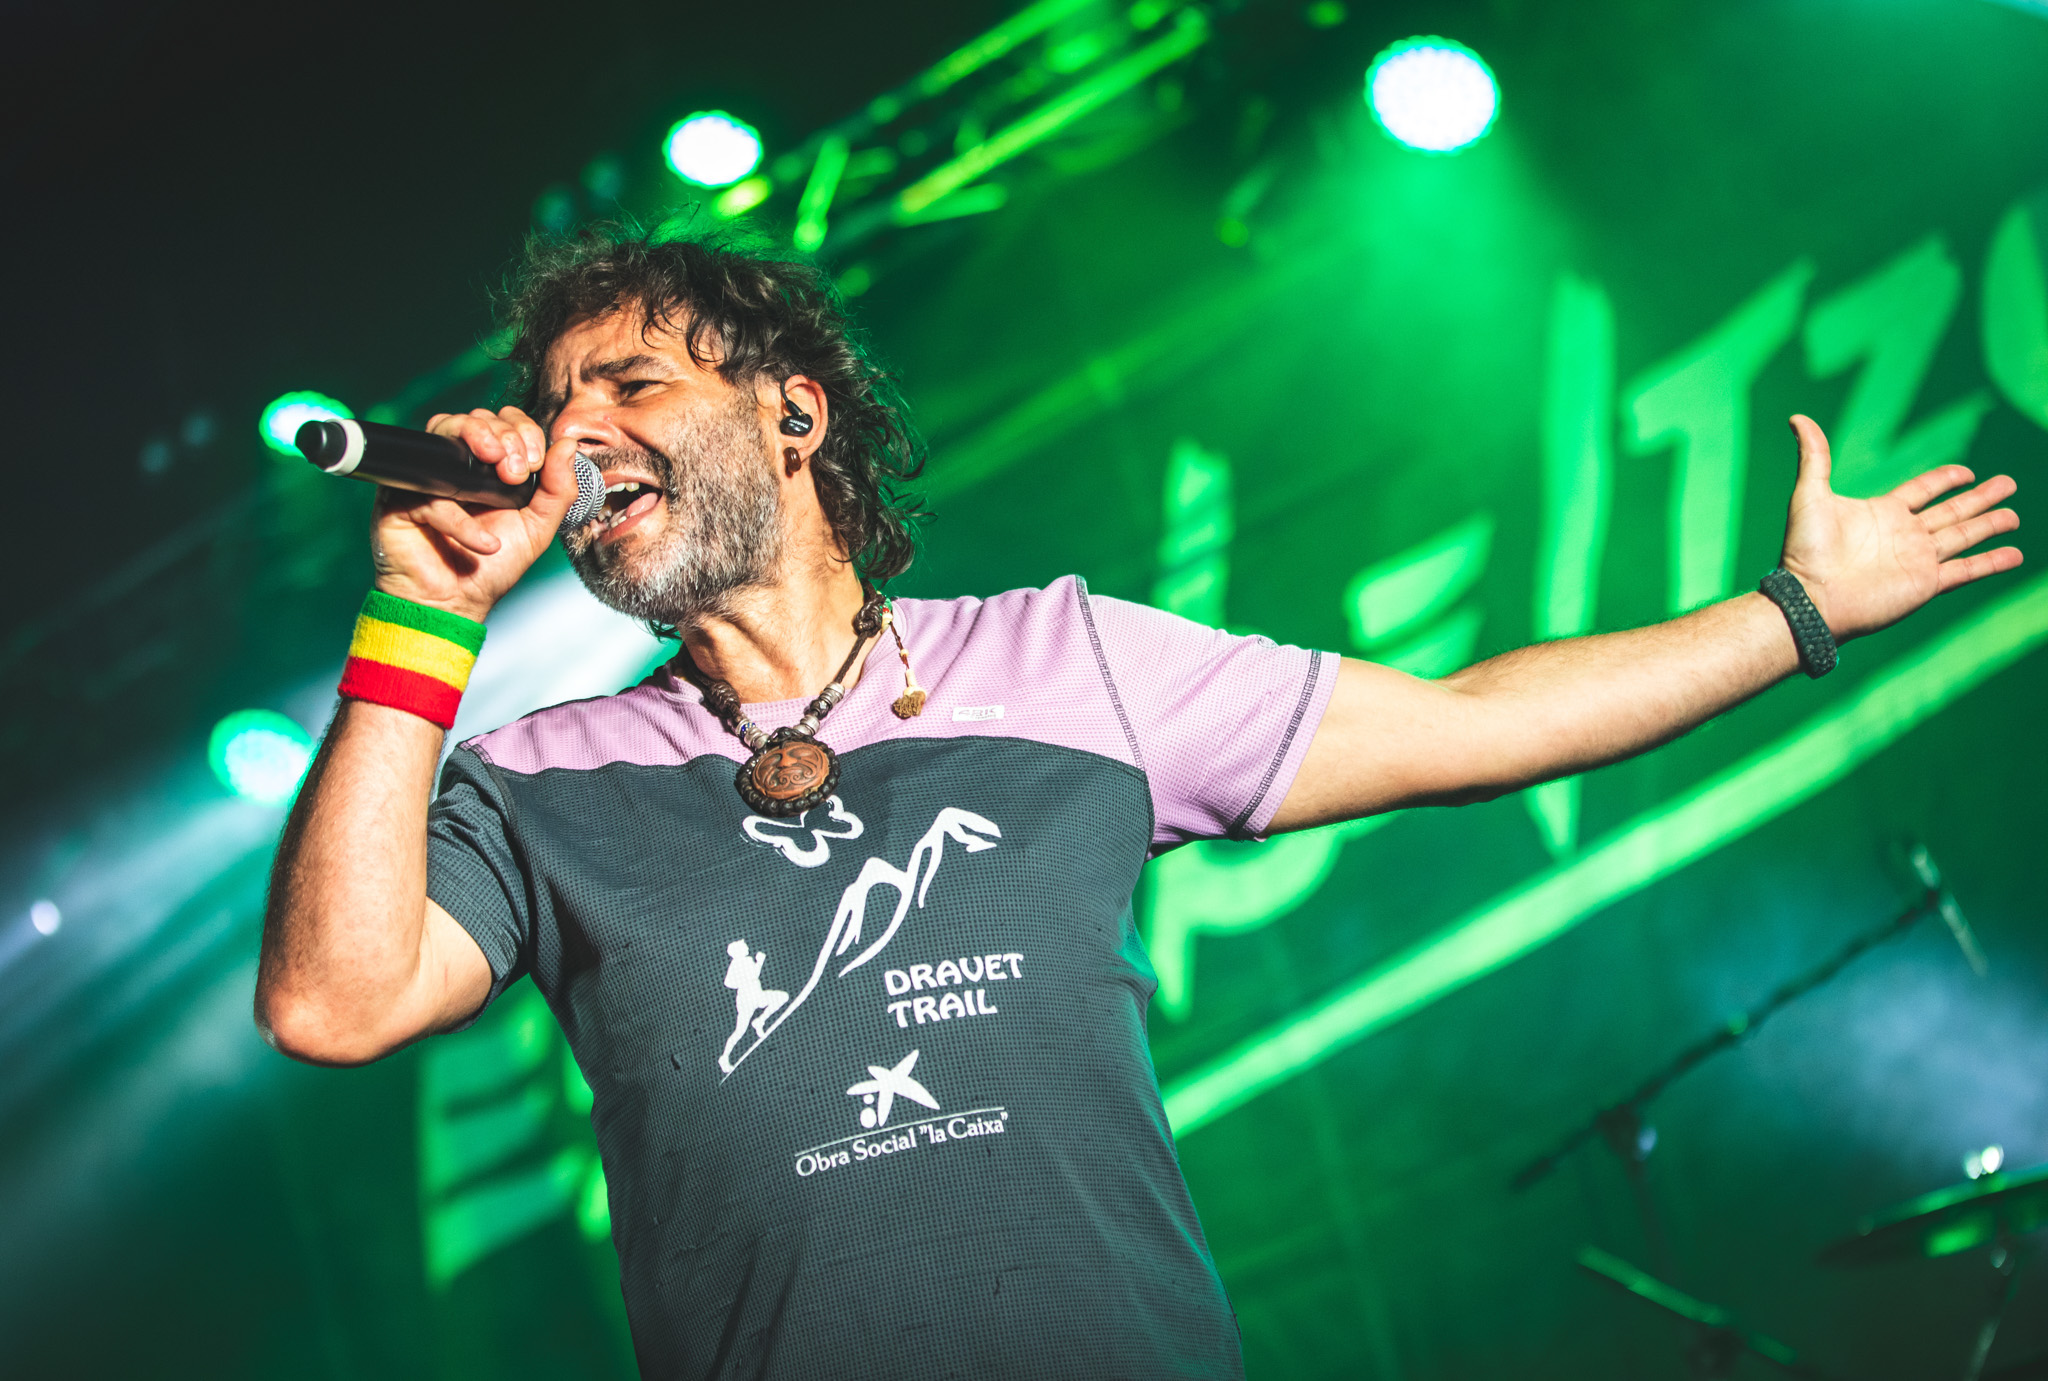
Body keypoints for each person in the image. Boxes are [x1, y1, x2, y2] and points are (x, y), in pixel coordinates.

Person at [255, 225, 2022, 1379]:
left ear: (791, 414)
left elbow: (1473, 721)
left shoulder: (1066, 660)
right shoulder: (541, 776)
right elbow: (333, 998)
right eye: (555, 406)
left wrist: (1791, 614)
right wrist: (420, 612)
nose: (573, 436)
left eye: (632, 385)